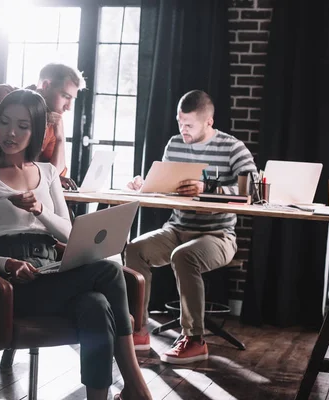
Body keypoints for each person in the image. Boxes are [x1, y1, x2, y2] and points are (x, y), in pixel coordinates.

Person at [0, 89, 152, 400]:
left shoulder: (49, 173)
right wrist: (9, 265)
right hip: (16, 285)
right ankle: (134, 383)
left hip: (54, 270)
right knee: (108, 272)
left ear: (36, 131)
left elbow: (69, 233)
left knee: (96, 304)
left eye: (23, 126)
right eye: (5, 123)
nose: (11, 133)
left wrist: (40, 211)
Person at [125, 90, 257, 364]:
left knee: (184, 255)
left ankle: (195, 339)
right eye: (179, 122)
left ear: (209, 122)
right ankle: (138, 329)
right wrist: (145, 185)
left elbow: (253, 190)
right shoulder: (174, 144)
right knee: (135, 249)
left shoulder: (233, 147)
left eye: (189, 125)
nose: (182, 130)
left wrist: (208, 188)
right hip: (176, 228)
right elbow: (165, 186)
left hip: (219, 235)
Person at [0, 62, 84, 190]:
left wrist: (60, 138)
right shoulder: (5, 97)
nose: (69, 107)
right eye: (65, 96)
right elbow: (0, 153)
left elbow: (52, 174)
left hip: (13, 186)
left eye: (72, 99)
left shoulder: (51, 120)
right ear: (46, 86)